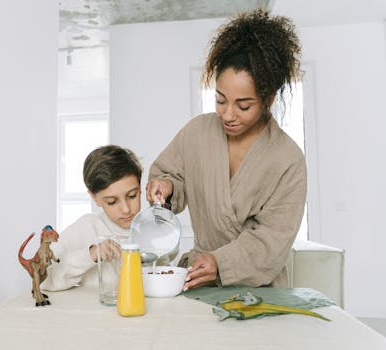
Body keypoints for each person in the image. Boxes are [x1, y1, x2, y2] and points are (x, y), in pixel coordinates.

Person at [146, 9, 306, 289]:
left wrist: (221, 262)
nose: (228, 114)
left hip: (258, 289)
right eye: (220, 100)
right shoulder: (196, 132)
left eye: (243, 105)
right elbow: (170, 175)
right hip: (198, 278)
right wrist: (166, 188)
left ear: (268, 99)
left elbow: (272, 241)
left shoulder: (288, 160)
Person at [41, 145, 142, 291]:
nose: (126, 209)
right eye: (112, 202)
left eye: (132, 195)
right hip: (94, 312)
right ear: (94, 198)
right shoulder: (87, 227)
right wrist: (90, 255)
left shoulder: (151, 230)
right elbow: (44, 278)